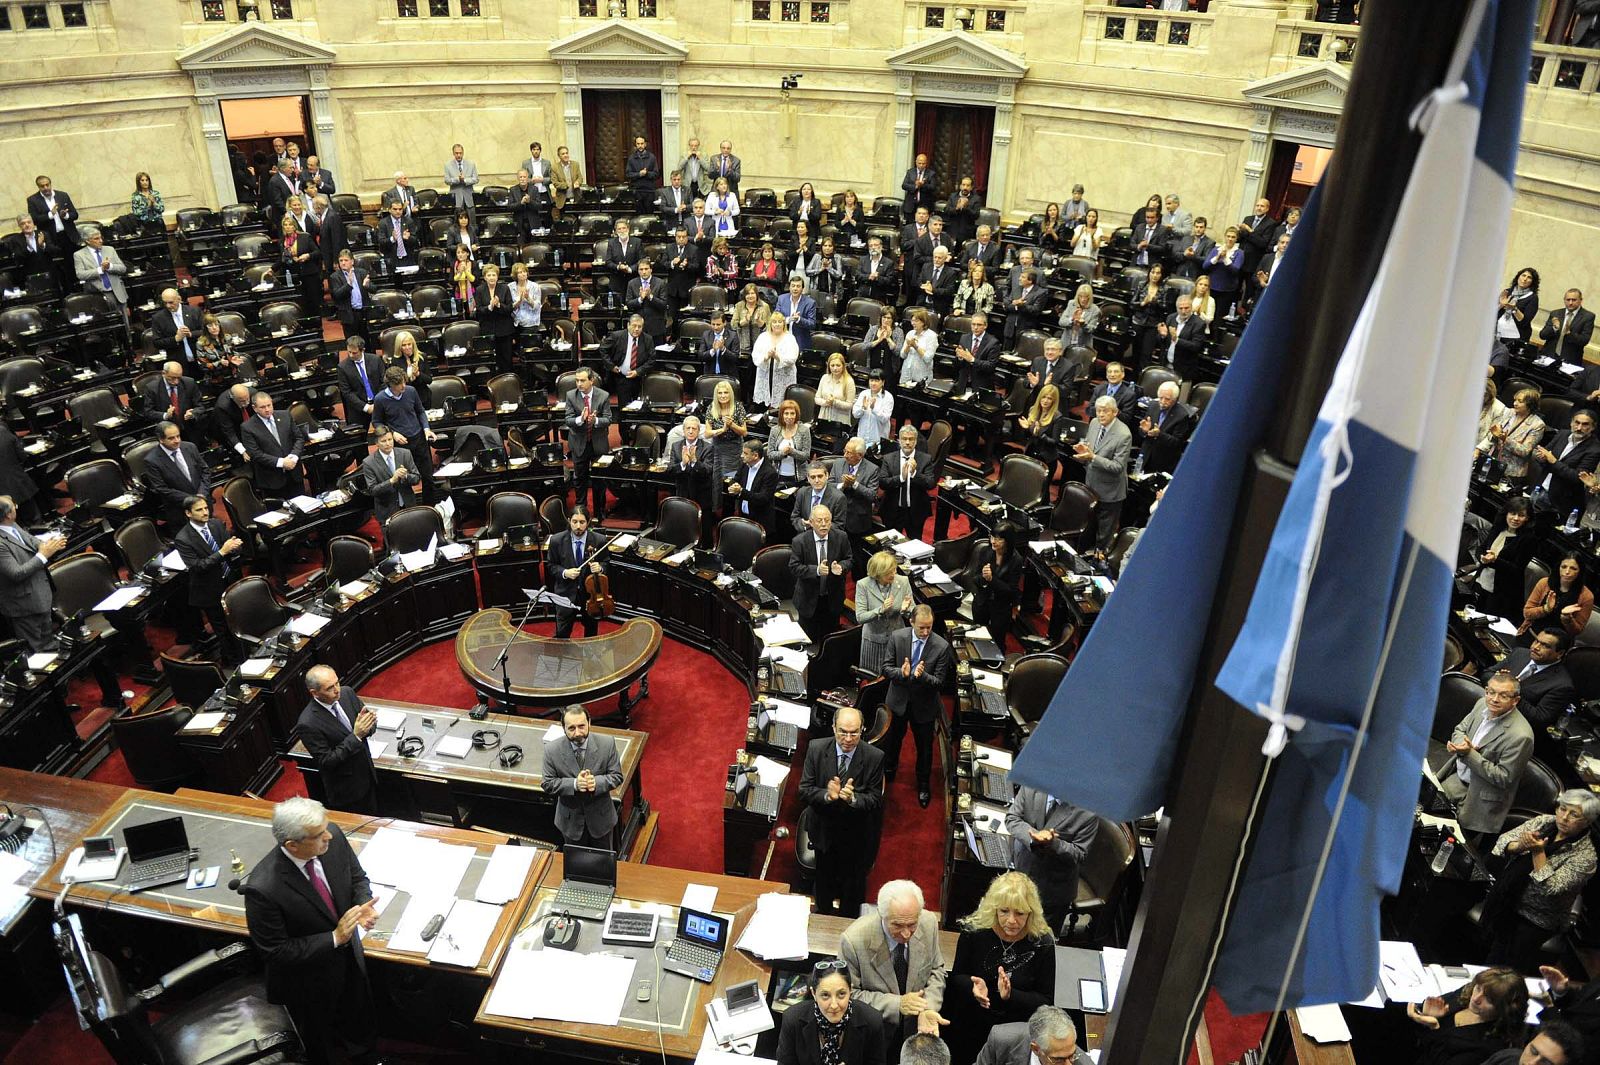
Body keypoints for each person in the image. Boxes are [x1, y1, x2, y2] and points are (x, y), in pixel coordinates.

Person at [242, 797, 380, 1065]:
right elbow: (275, 951)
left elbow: (356, 877)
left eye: (326, 829)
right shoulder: (263, 888)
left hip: (350, 958)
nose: (328, 836)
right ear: (292, 845)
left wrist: (363, 905)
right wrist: (334, 938)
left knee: (359, 1017)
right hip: (308, 983)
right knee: (320, 1045)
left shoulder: (334, 838)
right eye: (318, 836)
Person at [944, 871, 1058, 1065]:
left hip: (1013, 1031)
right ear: (994, 909)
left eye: (1020, 913)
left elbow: (1046, 1000)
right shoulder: (975, 931)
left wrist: (1011, 995)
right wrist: (973, 986)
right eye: (1004, 911)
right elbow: (957, 977)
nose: (1011, 921)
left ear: (1031, 913)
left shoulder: (1042, 942)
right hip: (971, 1022)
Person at [1486, 790, 1599, 972]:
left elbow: (1550, 888)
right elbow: (1503, 841)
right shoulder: (1544, 822)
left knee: (1505, 966)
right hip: (1509, 897)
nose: (1564, 818)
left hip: (1536, 918)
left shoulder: (1586, 857)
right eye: (1562, 809)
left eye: (1574, 815)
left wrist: (1538, 852)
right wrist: (1520, 846)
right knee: (1492, 951)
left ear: (1587, 821)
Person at [839, 879, 949, 1048]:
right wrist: (897, 1004)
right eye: (897, 925)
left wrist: (928, 1007)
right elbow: (848, 995)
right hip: (873, 1035)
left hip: (917, 1030)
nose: (906, 934)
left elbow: (937, 970)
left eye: (912, 925)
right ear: (882, 916)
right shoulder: (854, 940)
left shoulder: (929, 923)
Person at [798, 706, 883, 915]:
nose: (847, 738)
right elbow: (805, 790)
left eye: (854, 733)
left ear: (862, 730)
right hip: (823, 830)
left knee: (852, 887)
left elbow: (874, 799)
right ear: (833, 727)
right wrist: (827, 796)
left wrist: (853, 798)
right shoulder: (816, 748)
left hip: (856, 834)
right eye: (842, 731)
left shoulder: (874, 756)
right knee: (824, 881)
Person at [1439, 670, 1535, 841]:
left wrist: (1469, 754)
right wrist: (1461, 743)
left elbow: (1504, 777)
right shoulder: (1481, 704)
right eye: (1491, 692)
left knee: (1451, 843)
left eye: (1503, 696)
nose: (1494, 699)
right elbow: (1461, 728)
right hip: (1455, 778)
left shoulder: (1521, 736)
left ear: (1516, 700)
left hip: (1480, 798)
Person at [883, 606, 951, 807]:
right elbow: (886, 669)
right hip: (898, 701)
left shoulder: (941, 646)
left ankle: (923, 784)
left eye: (929, 627)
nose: (925, 632)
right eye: (921, 627)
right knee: (893, 742)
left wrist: (922, 676)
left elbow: (939, 683)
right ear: (911, 622)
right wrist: (902, 674)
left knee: (925, 749)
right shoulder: (897, 637)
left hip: (925, 705)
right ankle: (889, 773)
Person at [1006, 788, 1097, 935]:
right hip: (1021, 869)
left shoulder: (1088, 812)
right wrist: (1034, 837)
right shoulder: (1031, 786)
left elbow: (1079, 853)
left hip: (1052, 889)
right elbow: (1012, 818)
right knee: (1011, 928)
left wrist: (1053, 843)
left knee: (1039, 941)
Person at [170, 495, 244, 663]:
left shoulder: (216, 524)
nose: (205, 512)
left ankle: (244, 650)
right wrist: (223, 552)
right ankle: (231, 660)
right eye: (199, 510)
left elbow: (231, 549)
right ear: (188, 513)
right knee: (222, 629)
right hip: (209, 590)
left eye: (205, 508)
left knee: (237, 619)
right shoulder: (183, 539)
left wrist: (235, 547)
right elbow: (198, 566)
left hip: (229, 580)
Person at [296, 665, 379, 815]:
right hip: (347, 790)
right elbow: (327, 761)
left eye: (337, 683)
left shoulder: (347, 693)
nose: (337, 690)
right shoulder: (307, 723)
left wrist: (369, 725)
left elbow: (368, 724)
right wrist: (356, 736)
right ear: (314, 693)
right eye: (329, 688)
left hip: (367, 773)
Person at [1406, 968, 1529, 1065]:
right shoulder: (1467, 993)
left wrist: (1434, 1028)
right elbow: (1430, 1011)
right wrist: (1425, 1015)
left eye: (1489, 999)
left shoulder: (1491, 1046)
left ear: (1504, 1009)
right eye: (1478, 988)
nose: (1476, 998)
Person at [542, 704, 623, 848]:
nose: (578, 732)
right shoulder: (551, 750)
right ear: (564, 728)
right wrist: (574, 784)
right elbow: (547, 783)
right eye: (571, 728)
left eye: (581, 726)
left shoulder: (607, 744)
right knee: (576, 865)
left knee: (603, 863)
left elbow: (616, 775)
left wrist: (596, 783)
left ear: (589, 723)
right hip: (570, 823)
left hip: (601, 820)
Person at [777, 961, 886, 1065]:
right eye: (825, 995)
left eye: (841, 994)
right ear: (813, 993)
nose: (834, 1005)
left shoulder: (872, 1021)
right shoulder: (792, 1019)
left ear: (850, 991)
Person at [0, 494, 67, 651]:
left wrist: (50, 544)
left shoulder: (12, 526)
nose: (17, 506)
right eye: (14, 506)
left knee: (49, 643)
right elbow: (16, 573)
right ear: (8, 514)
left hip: (39, 595)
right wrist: (43, 555)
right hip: (23, 605)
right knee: (38, 651)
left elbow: (31, 540)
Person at [371, 368, 438, 504]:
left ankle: (430, 508)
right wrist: (393, 434)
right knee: (404, 480)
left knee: (428, 478)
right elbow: (376, 422)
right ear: (390, 384)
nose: (403, 386)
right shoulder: (380, 399)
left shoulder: (411, 391)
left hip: (419, 439)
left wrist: (426, 429)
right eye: (399, 384)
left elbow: (420, 411)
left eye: (404, 382)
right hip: (401, 445)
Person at [1073, 397, 1132, 550]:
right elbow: (1090, 448)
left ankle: (1099, 561)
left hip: (1110, 492)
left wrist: (1093, 457)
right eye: (1098, 411)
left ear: (1115, 412)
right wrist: (1083, 452)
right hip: (1091, 486)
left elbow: (1118, 466)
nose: (1100, 414)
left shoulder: (1124, 434)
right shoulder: (1093, 423)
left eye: (1105, 411)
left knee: (1103, 534)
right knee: (1087, 527)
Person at [791, 504, 852, 646]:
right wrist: (816, 571)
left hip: (832, 599)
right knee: (808, 643)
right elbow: (794, 567)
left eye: (827, 520)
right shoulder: (800, 541)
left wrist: (841, 567)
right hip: (808, 600)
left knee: (830, 643)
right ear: (811, 522)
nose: (824, 524)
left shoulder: (841, 537)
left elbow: (849, 559)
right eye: (819, 520)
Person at [547, 506, 609, 639]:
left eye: (582, 522)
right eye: (574, 522)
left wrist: (601, 568)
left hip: (590, 597)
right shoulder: (556, 540)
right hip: (566, 594)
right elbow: (551, 565)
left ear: (588, 522)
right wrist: (565, 572)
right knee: (562, 634)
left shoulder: (600, 540)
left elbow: (606, 563)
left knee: (591, 634)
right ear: (569, 521)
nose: (578, 526)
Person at [1476, 496, 1540, 623]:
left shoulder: (1529, 539)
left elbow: (1517, 569)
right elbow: (1482, 548)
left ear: (1527, 518)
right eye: (1513, 513)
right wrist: (1482, 557)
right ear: (1506, 513)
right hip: (1483, 583)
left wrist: (1495, 560)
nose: (1515, 518)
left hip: (1503, 593)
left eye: (1521, 515)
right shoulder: (1498, 528)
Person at [965, 524, 1025, 652]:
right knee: (979, 635)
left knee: (997, 641)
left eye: (998, 539)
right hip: (982, 602)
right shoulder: (985, 552)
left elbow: (1010, 591)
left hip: (1001, 607)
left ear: (1007, 540)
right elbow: (975, 578)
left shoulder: (1016, 560)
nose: (993, 541)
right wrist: (984, 577)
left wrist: (992, 580)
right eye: (992, 537)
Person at [1533, 409, 1600, 520]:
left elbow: (1577, 477)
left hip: (1560, 500)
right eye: (1577, 422)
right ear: (1571, 422)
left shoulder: (1595, 449)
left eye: (1585, 424)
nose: (1579, 428)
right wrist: (1542, 457)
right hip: (1540, 488)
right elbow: (1543, 455)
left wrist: (1553, 461)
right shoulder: (1563, 434)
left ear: (1593, 427)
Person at [564, 368, 612, 518]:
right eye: (577, 380)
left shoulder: (603, 395)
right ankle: (580, 511)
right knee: (579, 479)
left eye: (582, 380)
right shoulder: (571, 395)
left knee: (599, 479)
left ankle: (600, 511)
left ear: (591, 380)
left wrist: (595, 420)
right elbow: (568, 420)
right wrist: (581, 419)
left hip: (598, 443)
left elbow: (608, 419)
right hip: (579, 443)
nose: (579, 384)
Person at [858, 550, 913, 675]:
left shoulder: (903, 581)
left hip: (897, 639)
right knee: (873, 678)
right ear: (878, 574)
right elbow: (860, 617)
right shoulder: (863, 585)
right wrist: (881, 610)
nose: (894, 574)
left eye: (894, 570)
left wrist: (905, 610)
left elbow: (912, 611)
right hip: (874, 640)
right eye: (889, 572)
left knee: (896, 676)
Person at [976, 1006, 1093, 1065]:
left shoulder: (1083, 1063)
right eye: (1058, 1060)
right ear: (1036, 1049)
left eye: (1072, 1055)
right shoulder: (1002, 1039)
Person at [144, 419, 208, 527]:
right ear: (161, 439)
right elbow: (162, 488)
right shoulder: (152, 460)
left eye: (178, 436)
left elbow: (205, 470)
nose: (177, 440)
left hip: (203, 503)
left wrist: (202, 493)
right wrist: (191, 500)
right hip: (179, 510)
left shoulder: (190, 447)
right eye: (171, 438)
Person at [242, 391, 307, 496]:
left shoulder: (285, 415)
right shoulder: (247, 427)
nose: (267, 410)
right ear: (254, 408)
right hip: (272, 479)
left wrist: (294, 457)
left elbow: (299, 438)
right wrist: (281, 462)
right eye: (263, 407)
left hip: (294, 472)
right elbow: (255, 454)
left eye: (269, 405)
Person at [1523, 555, 1595, 639]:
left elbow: (1576, 631)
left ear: (1580, 572)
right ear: (1558, 567)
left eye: (1573, 568)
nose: (1567, 571)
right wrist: (1545, 609)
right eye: (1564, 567)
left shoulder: (1587, 596)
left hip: (1556, 644)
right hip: (1532, 634)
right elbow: (1527, 613)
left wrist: (1567, 619)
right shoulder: (1544, 583)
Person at [882, 425, 935, 538]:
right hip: (893, 510)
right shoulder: (888, 458)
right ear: (899, 440)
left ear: (915, 441)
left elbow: (930, 483)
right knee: (890, 546)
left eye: (911, 439)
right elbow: (882, 483)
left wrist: (914, 474)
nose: (907, 442)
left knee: (914, 545)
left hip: (915, 511)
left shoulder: (925, 459)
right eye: (904, 439)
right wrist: (901, 478)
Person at [831, 438, 882, 552]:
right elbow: (829, 486)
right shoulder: (838, 463)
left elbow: (872, 495)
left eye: (849, 453)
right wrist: (842, 485)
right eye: (845, 451)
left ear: (859, 455)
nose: (844, 455)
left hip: (858, 521)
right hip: (837, 518)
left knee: (856, 556)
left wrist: (855, 484)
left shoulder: (872, 469)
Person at [1489, 387, 1547, 487]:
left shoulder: (1537, 425)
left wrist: (1504, 439)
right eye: (1515, 400)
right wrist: (1494, 434)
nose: (1515, 403)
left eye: (1520, 401)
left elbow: (1524, 451)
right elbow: (1494, 433)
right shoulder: (1509, 412)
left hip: (1512, 471)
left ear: (1530, 405)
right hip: (1493, 461)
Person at [705, 379, 748, 512]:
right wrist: (722, 430)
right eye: (720, 393)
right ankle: (717, 509)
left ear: (730, 394)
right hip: (717, 448)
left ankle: (732, 509)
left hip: (734, 448)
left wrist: (732, 425)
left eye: (725, 393)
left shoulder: (738, 407)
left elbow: (744, 432)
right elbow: (707, 433)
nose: (723, 395)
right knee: (717, 480)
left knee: (730, 480)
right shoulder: (712, 407)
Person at [361, 427, 420, 525]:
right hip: (387, 511)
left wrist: (406, 476)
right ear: (376, 443)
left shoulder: (405, 454)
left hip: (408, 506)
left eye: (390, 439)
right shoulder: (369, 463)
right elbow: (372, 490)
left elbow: (417, 478)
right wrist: (392, 480)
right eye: (383, 441)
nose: (388, 443)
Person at [1138, 380, 1196, 475]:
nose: (1162, 402)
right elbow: (1141, 431)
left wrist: (1159, 434)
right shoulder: (1153, 405)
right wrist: (1144, 431)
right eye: (1161, 398)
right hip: (1145, 456)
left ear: (1175, 399)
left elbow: (1177, 443)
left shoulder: (1182, 416)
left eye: (1167, 399)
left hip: (1163, 461)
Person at [72, 227, 129, 325]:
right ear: (87, 241)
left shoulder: (110, 250)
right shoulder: (79, 255)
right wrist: (100, 270)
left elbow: (123, 268)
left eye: (101, 238)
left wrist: (110, 266)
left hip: (117, 291)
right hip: (98, 293)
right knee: (110, 324)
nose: (101, 241)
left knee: (125, 322)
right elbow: (80, 274)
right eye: (96, 239)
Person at [753, 311, 802, 410]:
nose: (777, 324)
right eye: (774, 322)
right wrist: (766, 357)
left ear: (784, 324)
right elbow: (755, 356)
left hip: (783, 376)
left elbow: (793, 357)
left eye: (780, 322)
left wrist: (777, 357)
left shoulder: (790, 338)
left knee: (783, 405)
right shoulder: (763, 337)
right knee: (764, 406)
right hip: (765, 375)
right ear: (770, 324)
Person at [669, 416, 714, 522]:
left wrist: (694, 461)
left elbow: (708, 471)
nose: (690, 431)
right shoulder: (676, 446)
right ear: (683, 430)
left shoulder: (708, 447)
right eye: (688, 428)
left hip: (701, 496)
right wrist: (682, 464)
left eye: (694, 429)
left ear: (698, 431)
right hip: (682, 494)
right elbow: (670, 470)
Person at [727, 439, 779, 527]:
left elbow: (762, 498)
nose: (742, 456)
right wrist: (733, 487)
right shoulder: (744, 465)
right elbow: (735, 480)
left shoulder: (770, 473)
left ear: (755, 455)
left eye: (745, 453)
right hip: (743, 515)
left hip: (759, 520)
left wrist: (741, 491)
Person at [605, 313, 654, 408]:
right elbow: (603, 349)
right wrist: (611, 365)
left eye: (639, 327)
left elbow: (651, 360)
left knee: (639, 408)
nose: (636, 329)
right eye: (634, 326)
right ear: (628, 325)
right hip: (621, 378)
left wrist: (637, 371)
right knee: (624, 409)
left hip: (640, 378)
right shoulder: (617, 336)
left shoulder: (648, 339)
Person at [1017, 385, 1064, 480]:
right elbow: (1026, 437)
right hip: (1031, 453)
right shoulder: (1033, 410)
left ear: (1054, 401)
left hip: (1047, 458)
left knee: (1041, 490)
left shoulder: (1057, 416)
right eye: (1044, 397)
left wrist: (1039, 434)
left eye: (1049, 398)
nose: (1045, 400)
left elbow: (1055, 442)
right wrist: (1026, 428)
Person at [475, 263, 515, 371]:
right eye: (489, 275)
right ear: (485, 277)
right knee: (492, 359)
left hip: (504, 329)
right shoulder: (479, 290)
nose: (492, 277)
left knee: (506, 358)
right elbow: (478, 310)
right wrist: (489, 307)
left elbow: (510, 308)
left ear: (497, 276)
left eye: (494, 275)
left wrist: (498, 305)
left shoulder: (504, 288)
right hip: (488, 328)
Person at [1542, 289, 1595, 366]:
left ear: (1580, 300)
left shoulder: (1588, 317)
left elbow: (1584, 340)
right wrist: (1554, 328)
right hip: (1548, 356)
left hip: (1570, 361)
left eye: (1574, 300)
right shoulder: (1555, 313)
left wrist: (1570, 333)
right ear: (1564, 300)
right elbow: (1542, 335)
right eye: (1568, 300)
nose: (1570, 303)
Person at [1203, 225, 1246, 319]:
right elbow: (1205, 266)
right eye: (1228, 236)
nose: (1230, 239)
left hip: (1227, 290)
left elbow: (1235, 270)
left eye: (1233, 237)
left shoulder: (1239, 253)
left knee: (1219, 316)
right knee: (1208, 314)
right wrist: (1217, 258)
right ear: (1225, 237)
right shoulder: (1216, 250)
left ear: (1236, 239)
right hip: (1212, 287)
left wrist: (1226, 258)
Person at [328, 248, 370, 342]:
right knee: (352, 343)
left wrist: (367, 286)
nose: (343, 263)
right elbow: (337, 295)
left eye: (346, 260)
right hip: (349, 315)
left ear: (352, 261)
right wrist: (349, 284)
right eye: (341, 260)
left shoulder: (361, 272)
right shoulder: (335, 277)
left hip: (363, 313)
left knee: (367, 342)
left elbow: (374, 289)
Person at [1497, 267, 1540, 356]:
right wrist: (1501, 305)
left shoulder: (1532, 297)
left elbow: (1524, 322)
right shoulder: (1507, 292)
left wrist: (1514, 309)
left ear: (1532, 282)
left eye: (1529, 277)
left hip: (1516, 337)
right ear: (1518, 277)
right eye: (1523, 275)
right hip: (1498, 333)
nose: (1525, 279)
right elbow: (1492, 313)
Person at [767, 399, 811, 484]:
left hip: (798, 477)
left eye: (792, 413)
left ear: (796, 415)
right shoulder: (775, 430)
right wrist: (783, 453)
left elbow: (806, 455)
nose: (789, 417)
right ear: (782, 415)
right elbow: (770, 454)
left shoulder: (804, 430)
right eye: (786, 413)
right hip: (777, 476)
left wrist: (791, 451)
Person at [775, 274, 817, 352]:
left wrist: (799, 319)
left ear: (802, 289)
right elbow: (775, 317)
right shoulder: (781, 299)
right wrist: (788, 319)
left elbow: (812, 324)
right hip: (782, 340)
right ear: (789, 287)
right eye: (793, 286)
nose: (795, 289)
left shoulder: (810, 303)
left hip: (800, 341)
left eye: (798, 286)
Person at [817, 351, 857, 428]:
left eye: (838, 365)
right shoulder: (824, 378)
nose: (835, 368)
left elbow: (850, 405)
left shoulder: (849, 381)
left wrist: (834, 402)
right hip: (824, 417)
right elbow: (817, 398)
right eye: (832, 365)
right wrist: (826, 402)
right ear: (828, 366)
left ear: (843, 366)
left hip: (841, 420)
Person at [865, 307, 906, 383]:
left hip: (890, 369)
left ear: (893, 319)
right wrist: (878, 340)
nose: (886, 320)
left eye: (889, 318)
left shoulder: (898, 332)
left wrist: (888, 338)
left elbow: (898, 352)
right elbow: (864, 347)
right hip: (873, 366)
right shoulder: (873, 329)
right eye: (884, 317)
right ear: (881, 317)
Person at [900, 308, 938, 389]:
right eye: (912, 320)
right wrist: (908, 346)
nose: (913, 323)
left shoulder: (932, 336)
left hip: (921, 376)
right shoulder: (910, 333)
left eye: (916, 321)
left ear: (923, 322)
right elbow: (902, 355)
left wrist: (915, 346)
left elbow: (928, 358)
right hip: (906, 374)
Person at [699, 307, 741, 378]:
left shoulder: (733, 336)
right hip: (710, 375)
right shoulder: (706, 335)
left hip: (728, 375)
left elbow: (735, 358)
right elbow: (701, 356)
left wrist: (723, 349)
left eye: (718, 324)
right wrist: (713, 350)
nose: (715, 327)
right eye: (713, 324)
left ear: (724, 323)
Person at [857, 235, 899, 304]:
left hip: (879, 296)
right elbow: (857, 275)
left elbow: (890, 281)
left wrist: (877, 278)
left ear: (881, 247)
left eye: (875, 245)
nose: (873, 247)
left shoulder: (888, 263)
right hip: (863, 295)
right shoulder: (863, 260)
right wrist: (868, 276)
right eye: (870, 246)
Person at [444, 143, 478, 226]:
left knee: (472, 223)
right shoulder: (448, 165)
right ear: (453, 153)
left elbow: (476, 179)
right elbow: (447, 180)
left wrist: (465, 180)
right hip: (457, 199)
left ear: (463, 152)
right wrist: (457, 179)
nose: (458, 155)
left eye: (460, 153)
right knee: (457, 224)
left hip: (469, 198)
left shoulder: (471, 164)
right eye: (456, 153)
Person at [1058, 284, 1099, 352]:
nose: (1083, 299)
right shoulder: (1071, 304)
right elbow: (1061, 322)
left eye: (1086, 297)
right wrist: (1072, 319)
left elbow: (1091, 329)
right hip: (1066, 343)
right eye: (1081, 296)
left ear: (1090, 297)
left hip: (1083, 346)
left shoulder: (1095, 310)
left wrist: (1083, 324)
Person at [626, 134, 660, 214]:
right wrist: (639, 174)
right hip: (637, 191)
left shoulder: (652, 157)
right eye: (638, 144)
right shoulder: (631, 158)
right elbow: (628, 174)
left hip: (649, 191)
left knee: (649, 214)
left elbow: (656, 174)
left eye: (642, 143)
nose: (640, 146)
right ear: (635, 145)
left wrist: (646, 173)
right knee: (638, 214)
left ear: (645, 144)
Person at [901, 153, 937, 220]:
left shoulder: (931, 174)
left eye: (923, 163)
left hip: (924, 204)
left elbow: (933, 187)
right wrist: (916, 186)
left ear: (926, 163)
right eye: (919, 163)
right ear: (916, 162)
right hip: (910, 205)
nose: (921, 165)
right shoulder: (910, 172)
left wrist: (922, 185)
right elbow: (904, 185)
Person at [552, 145, 583, 216]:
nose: (566, 155)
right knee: (565, 222)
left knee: (577, 220)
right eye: (563, 154)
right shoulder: (555, 167)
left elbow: (580, 177)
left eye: (566, 153)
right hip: (562, 200)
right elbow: (555, 183)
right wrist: (566, 185)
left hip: (576, 198)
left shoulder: (575, 164)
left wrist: (578, 182)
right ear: (559, 156)